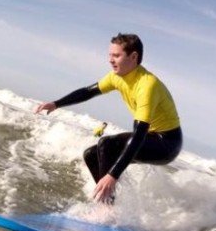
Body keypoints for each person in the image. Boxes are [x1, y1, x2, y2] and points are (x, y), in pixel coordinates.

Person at [34, 33, 182, 204]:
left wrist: (112, 175)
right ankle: (110, 205)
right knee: (91, 154)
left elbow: (139, 134)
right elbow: (89, 91)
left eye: (116, 55)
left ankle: (106, 208)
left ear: (133, 57)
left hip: (166, 144)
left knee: (107, 144)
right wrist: (56, 104)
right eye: (110, 55)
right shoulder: (117, 77)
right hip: (150, 137)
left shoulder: (147, 85)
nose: (110, 60)